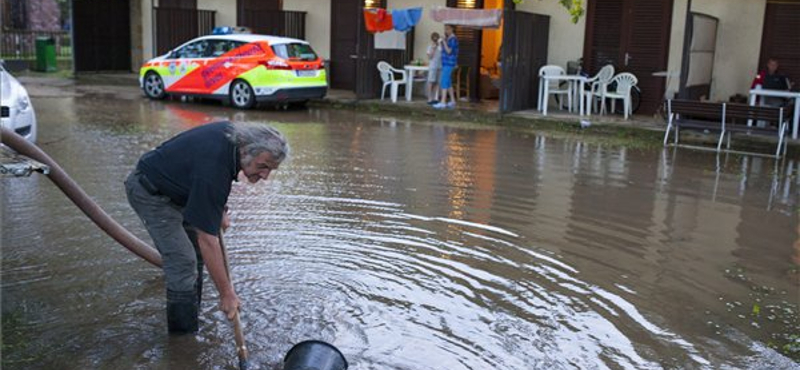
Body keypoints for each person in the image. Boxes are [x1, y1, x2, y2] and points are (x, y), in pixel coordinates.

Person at [125, 121, 288, 334]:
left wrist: (220, 208)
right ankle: (183, 339)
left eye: (271, 170)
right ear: (247, 151)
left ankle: (193, 316)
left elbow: (204, 174)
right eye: (263, 166)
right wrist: (226, 294)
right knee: (184, 262)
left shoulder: (233, 141)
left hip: (183, 190)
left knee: (197, 256)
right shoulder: (215, 165)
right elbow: (208, 240)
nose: (265, 176)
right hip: (151, 193)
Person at [434, 24, 459, 110]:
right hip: (446, 63)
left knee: (444, 81)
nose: (446, 31)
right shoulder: (449, 39)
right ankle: (452, 100)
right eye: (445, 29)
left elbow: (449, 51)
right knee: (448, 82)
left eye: (448, 29)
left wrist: (444, 41)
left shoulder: (453, 39)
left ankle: (443, 101)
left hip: (449, 63)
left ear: (452, 29)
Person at [426, 32, 442, 105]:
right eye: (434, 39)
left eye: (437, 39)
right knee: (431, 82)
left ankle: (435, 97)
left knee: (437, 82)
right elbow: (430, 57)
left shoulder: (440, 47)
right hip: (433, 66)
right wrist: (433, 48)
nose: (436, 41)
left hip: (440, 66)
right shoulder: (430, 47)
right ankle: (429, 98)